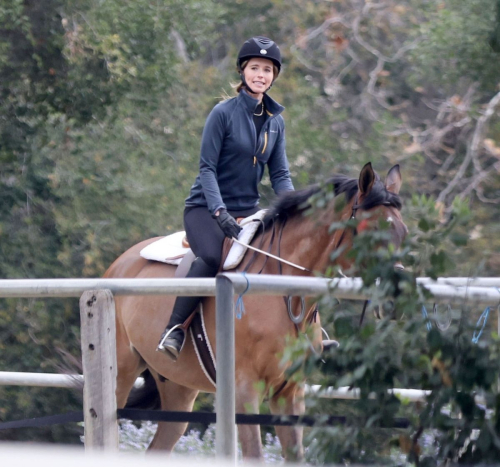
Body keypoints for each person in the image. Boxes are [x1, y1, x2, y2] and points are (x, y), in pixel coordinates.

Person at [157, 36, 294, 362]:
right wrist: (219, 212)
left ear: (273, 76)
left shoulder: (276, 122)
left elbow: (280, 175)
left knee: (282, 253)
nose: (260, 74)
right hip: (205, 208)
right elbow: (206, 169)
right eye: (254, 68)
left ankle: (304, 329)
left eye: (266, 70)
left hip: (248, 210)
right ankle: (174, 328)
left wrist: (294, 209)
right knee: (210, 257)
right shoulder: (223, 113)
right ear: (243, 71)